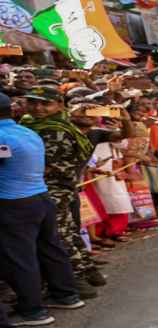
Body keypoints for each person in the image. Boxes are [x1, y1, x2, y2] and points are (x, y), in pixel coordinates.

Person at [0, 91, 82, 328]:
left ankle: (33, 310)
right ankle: (65, 295)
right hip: (40, 197)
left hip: (14, 203)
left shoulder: (3, 136)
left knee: (20, 257)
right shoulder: (28, 132)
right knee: (50, 248)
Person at [20, 86, 105, 296]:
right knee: (67, 232)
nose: (38, 108)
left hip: (53, 188)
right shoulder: (36, 124)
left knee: (58, 236)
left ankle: (75, 280)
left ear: (58, 104)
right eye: (33, 102)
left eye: (44, 103)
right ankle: (89, 272)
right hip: (53, 188)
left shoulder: (53, 130)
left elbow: (44, 165)